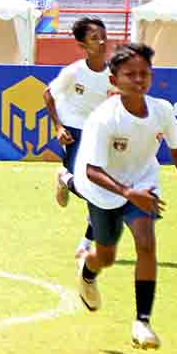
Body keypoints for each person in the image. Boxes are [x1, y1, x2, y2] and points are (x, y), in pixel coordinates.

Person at [73, 43, 177, 351]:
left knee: (146, 244)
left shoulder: (162, 111)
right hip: (103, 189)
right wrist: (126, 193)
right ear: (113, 80)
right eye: (129, 74)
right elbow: (92, 170)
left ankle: (142, 322)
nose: (138, 79)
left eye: (144, 73)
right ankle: (87, 271)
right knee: (106, 256)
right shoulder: (104, 119)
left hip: (142, 183)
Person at [45, 17, 113, 257]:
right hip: (74, 130)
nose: (102, 41)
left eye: (103, 35)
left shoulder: (114, 73)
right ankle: (65, 177)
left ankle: (85, 245)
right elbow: (48, 95)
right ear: (83, 46)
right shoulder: (73, 72)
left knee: (105, 192)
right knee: (95, 190)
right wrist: (58, 127)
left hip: (99, 133)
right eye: (94, 38)